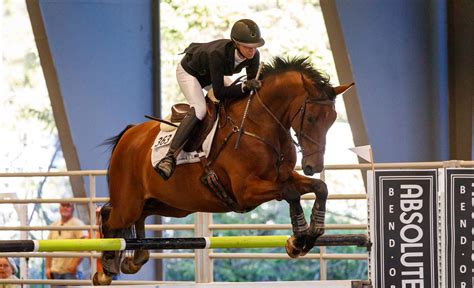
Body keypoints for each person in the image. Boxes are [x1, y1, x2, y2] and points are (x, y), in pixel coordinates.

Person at [155, 19, 265, 180]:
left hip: (212, 75)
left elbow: (250, 90)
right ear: (236, 44)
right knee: (199, 109)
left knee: (234, 101)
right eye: (248, 47)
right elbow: (220, 92)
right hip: (190, 72)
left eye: (255, 46)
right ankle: (169, 157)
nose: (252, 51)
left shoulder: (254, 56)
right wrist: (244, 87)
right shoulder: (218, 54)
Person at [45, 203, 87, 284]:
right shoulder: (54, 225)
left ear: (72, 208)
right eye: (63, 206)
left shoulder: (78, 224)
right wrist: (47, 268)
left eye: (68, 206)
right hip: (55, 271)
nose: (65, 208)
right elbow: (48, 248)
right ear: (59, 208)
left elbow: (85, 245)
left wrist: (74, 265)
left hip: (71, 272)